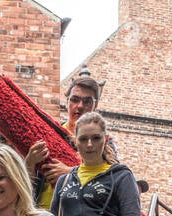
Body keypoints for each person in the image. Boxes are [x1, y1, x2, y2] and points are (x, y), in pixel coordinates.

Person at [26, 71, 119, 205]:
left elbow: (112, 177)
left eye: (87, 101)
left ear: (95, 105)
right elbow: (26, 182)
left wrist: (70, 172)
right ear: (67, 102)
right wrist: (30, 162)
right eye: (75, 100)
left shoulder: (103, 141)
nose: (80, 106)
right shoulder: (50, 132)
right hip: (43, 214)